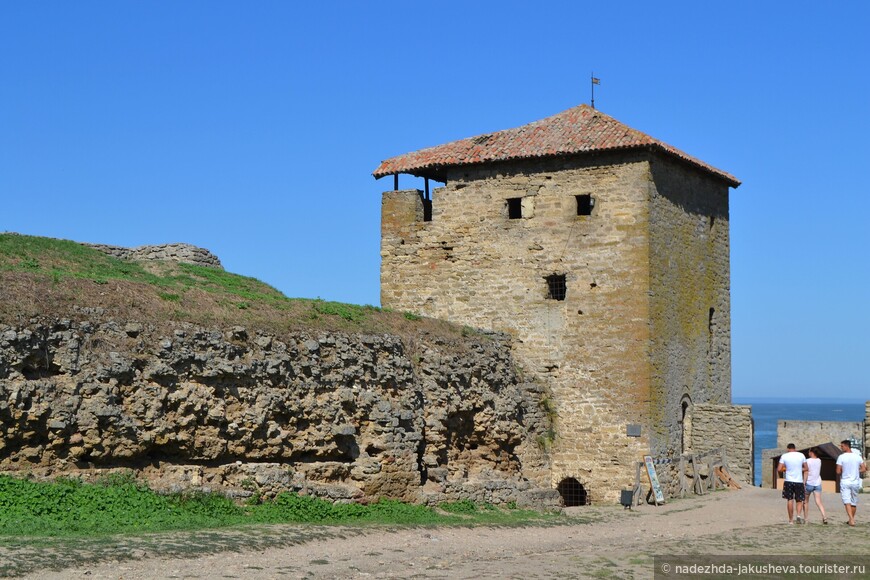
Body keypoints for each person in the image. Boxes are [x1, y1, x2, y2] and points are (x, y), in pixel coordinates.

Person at [836, 439, 867, 527]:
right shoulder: (857, 456)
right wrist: (856, 471)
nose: (841, 448)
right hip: (855, 482)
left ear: (846, 446)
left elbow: (838, 471)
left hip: (845, 481)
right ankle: (851, 519)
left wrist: (844, 471)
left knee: (847, 501)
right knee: (853, 502)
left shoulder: (841, 457)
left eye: (842, 446)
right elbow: (864, 469)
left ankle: (851, 519)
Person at [778, 443, 807, 524]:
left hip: (788, 481)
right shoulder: (801, 455)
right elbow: (806, 468)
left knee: (790, 500)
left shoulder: (784, 456)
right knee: (799, 499)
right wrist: (798, 469)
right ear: (795, 448)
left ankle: (791, 520)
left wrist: (785, 469)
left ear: (788, 449)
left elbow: (779, 469)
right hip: (799, 481)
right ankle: (798, 515)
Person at [804, 448, 827, 524]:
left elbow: (806, 471)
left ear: (811, 452)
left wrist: (804, 482)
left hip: (809, 482)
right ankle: (824, 516)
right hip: (817, 483)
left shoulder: (808, 461)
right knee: (819, 502)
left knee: (805, 502)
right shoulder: (819, 460)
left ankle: (806, 519)